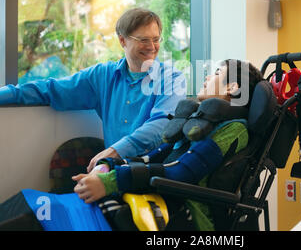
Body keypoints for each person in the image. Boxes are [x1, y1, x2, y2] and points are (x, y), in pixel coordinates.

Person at [0, 59, 263, 231]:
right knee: (32, 210)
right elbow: (157, 155)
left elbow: (181, 173)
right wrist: (108, 167)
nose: (207, 78)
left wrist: (112, 182)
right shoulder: (201, 119)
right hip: (161, 195)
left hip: (186, 211)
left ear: (232, 86)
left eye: (215, 73)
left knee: (37, 220)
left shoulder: (232, 130)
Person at [0, 8, 187, 171]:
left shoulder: (172, 78)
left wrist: (115, 151)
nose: (152, 47)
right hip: (111, 170)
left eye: (156, 39)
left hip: (154, 171)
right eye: (143, 40)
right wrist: (7, 94)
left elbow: (163, 124)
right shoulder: (102, 76)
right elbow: (51, 89)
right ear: (122, 41)